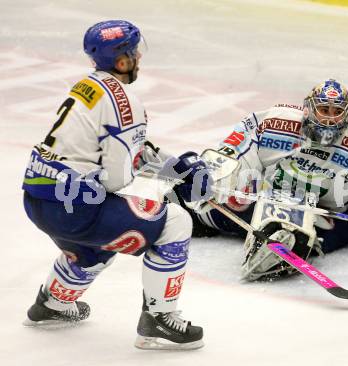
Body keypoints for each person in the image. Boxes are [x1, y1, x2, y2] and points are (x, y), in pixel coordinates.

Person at [22, 20, 212, 350]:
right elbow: (117, 180)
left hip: (39, 199)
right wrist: (170, 183)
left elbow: (116, 149)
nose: (139, 56)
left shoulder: (88, 86)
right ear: (123, 61)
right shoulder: (126, 101)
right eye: (134, 51)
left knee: (100, 241)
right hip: (75, 208)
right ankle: (159, 318)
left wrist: (172, 165)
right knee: (175, 221)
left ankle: (52, 304)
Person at [178, 79, 348, 280]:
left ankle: (294, 243)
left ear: (347, 116)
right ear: (309, 109)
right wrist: (209, 174)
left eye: (336, 112)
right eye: (323, 109)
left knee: (304, 235)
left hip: (338, 215)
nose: (329, 120)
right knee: (227, 198)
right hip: (278, 197)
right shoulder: (276, 122)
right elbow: (234, 152)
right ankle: (202, 215)